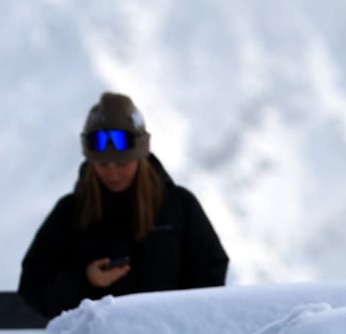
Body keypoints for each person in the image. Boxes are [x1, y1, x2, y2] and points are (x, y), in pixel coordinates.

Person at [18, 92, 229, 320]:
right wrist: (86, 281)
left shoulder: (179, 207)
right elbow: (32, 288)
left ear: (140, 157)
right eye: (102, 163)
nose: (112, 171)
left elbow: (212, 273)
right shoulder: (70, 213)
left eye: (122, 162)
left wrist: (176, 320)